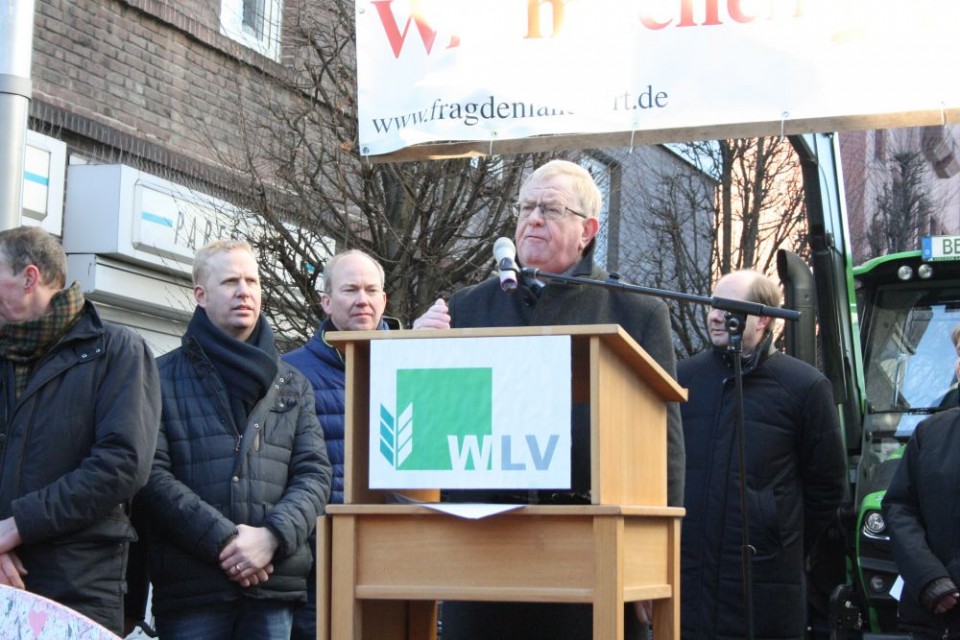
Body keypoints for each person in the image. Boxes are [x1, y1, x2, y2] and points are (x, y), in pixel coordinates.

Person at [414, 159, 684, 640]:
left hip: (592, 547)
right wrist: (416, 355)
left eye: (551, 208)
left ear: (588, 230)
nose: (532, 218)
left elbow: (664, 449)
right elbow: (435, 428)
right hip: (481, 549)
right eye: (526, 207)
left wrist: (655, 558)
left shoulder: (636, 312)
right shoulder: (467, 306)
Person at [137, 239, 332, 639]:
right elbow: (151, 478)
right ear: (201, 295)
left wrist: (271, 538)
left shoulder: (292, 384)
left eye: (252, 281)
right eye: (230, 281)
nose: (245, 291)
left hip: (273, 583)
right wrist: (228, 543)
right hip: (194, 589)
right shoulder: (158, 378)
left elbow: (314, 475)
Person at [0, 226, 161, 634]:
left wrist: (16, 526)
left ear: (30, 277)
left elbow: (121, 466)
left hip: (78, 590)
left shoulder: (118, 351)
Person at [677, 269, 845, 640]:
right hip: (689, 575)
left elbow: (827, 486)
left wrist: (778, 535)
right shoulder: (680, 380)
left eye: (729, 307)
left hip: (765, 581)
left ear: (765, 318)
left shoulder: (804, 386)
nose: (716, 315)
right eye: (713, 305)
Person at [282, 249, 392, 640]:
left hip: (396, 556)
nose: (362, 299)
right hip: (317, 564)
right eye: (350, 290)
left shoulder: (412, 365)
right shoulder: (290, 374)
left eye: (371, 290)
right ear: (326, 302)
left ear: (384, 300)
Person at [882, 324, 960, 639]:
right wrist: (929, 579)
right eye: (959, 354)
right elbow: (900, 507)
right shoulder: (930, 432)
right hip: (936, 617)